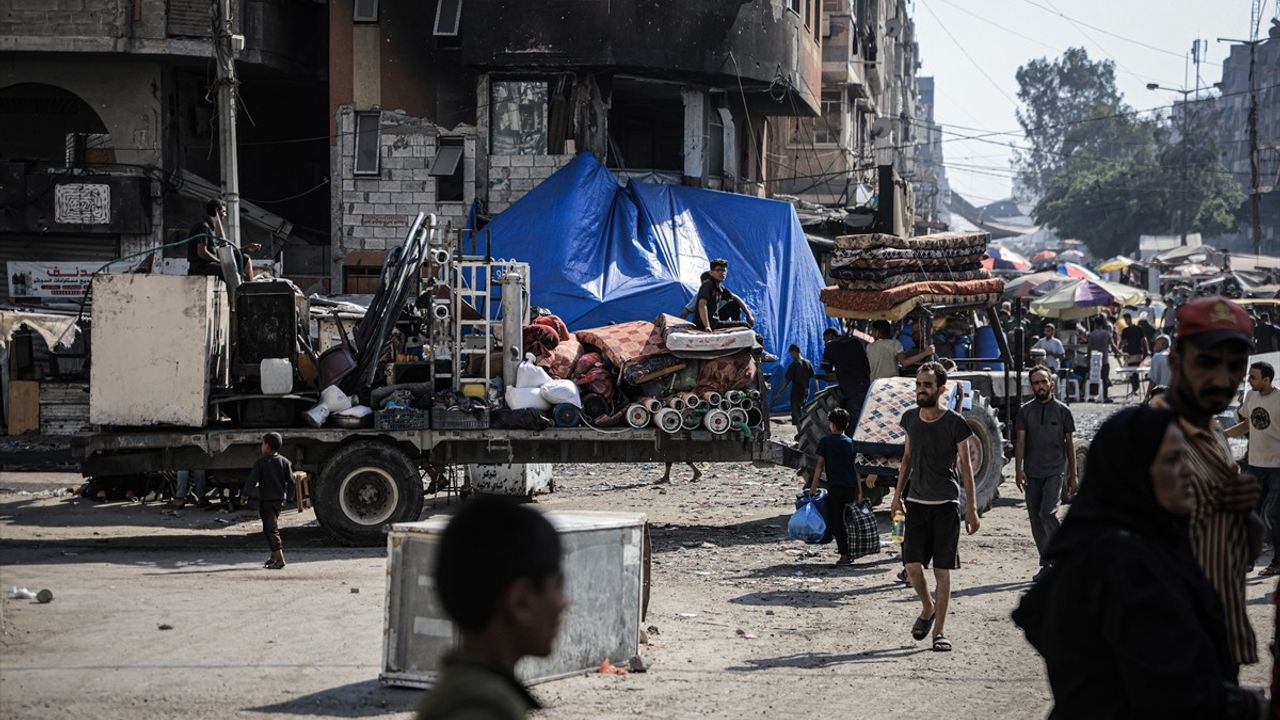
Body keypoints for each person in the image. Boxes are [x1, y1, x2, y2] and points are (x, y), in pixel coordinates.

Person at [1011, 406, 1270, 719]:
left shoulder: (1146, 541)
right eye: (1173, 460)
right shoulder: (1123, 564)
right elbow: (1169, 691)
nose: (1188, 471)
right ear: (1134, 472)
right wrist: (1252, 707)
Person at [1154, 296, 1262, 671]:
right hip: (1169, 651)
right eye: (1207, 362)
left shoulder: (1213, 429)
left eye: (1236, 366)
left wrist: (1246, 514)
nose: (1223, 378)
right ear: (1176, 360)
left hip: (1218, 641)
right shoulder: (1142, 437)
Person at [415, 498, 566, 720]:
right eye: (557, 587)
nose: (565, 602)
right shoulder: (482, 705)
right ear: (520, 603)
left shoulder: (466, 689)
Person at [890, 362, 980, 652]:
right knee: (912, 567)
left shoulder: (955, 423)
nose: (920, 390)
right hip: (915, 503)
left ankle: (939, 632)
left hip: (945, 505)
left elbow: (966, 465)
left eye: (926, 385)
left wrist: (972, 508)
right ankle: (927, 607)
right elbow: (906, 459)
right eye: (918, 385)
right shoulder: (910, 419)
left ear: (940, 389)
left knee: (942, 572)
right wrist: (895, 497)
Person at [1015, 365, 1077, 580]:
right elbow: (1020, 441)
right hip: (1032, 472)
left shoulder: (1063, 411)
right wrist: (1018, 470)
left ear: (1051, 383)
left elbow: (1069, 444)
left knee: (1047, 513)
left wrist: (1073, 475)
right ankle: (1048, 563)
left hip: (1055, 470)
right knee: (1035, 520)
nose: (1040, 386)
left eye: (1044, 381)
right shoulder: (1025, 411)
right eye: (1036, 383)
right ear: (1031, 386)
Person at [1227, 361, 1280, 577]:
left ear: (1267, 380)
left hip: (1277, 466)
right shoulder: (1251, 397)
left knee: (1274, 515)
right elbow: (1249, 423)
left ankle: (1277, 561)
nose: (1249, 380)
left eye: (1254, 377)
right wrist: (1223, 434)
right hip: (1255, 464)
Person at [808, 407, 861, 566]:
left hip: (835, 487)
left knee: (836, 521)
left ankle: (844, 555)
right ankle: (850, 552)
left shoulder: (826, 442)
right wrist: (860, 492)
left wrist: (813, 486)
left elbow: (819, 466)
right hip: (850, 487)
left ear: (831, 424)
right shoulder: (851, 443)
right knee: (849, 520)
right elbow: (856, 469)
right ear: (847, 424)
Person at [246, 432, 292, 570]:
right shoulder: (285, 462)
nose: (261, 446)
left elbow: (251, 481)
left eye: (262, 443)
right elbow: (291, 482)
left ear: (267, 446)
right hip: (278, 500)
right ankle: (273, 557)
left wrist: (244, 495)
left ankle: (280, 559)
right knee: (270, 527)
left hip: (266, 500)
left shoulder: (261, 463)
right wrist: (288, 498)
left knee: (271, 529)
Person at [820, 327, 871, 432]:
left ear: (830, 336)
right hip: (864, 384)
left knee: (853, 416)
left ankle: (853, 441)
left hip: (849, 386)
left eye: (824, 339)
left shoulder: (830, 345)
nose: (825, 342)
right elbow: (866, 363)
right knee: (865, 414)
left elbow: (826, 368)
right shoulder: (855, 342)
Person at [694, 259, 754, 331]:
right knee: (745, 325)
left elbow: (735, 298)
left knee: (734, 304)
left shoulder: (720, 287)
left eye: (723, 270)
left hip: (715, 320)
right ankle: (741, 330)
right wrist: (707, 326)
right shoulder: (708, 284)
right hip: (707, 323)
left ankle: (737, 326)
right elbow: (702, 305)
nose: (721, 272)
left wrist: (749, 314)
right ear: (711, 273)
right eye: (718, 270)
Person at [866, 320, 934, 381]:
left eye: (873, 331)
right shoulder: (895, 344)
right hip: (890, 384)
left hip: (874, 385)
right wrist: (926, 353)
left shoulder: (869, 347)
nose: (872, 334)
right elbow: (904, 362)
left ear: (877, 332)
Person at [776, 344, 817, 427]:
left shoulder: (794, 365)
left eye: (791, 353)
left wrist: (779, 393)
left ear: (795, 352)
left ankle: (800, 433)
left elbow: (787, 381)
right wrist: (817, 391)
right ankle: (805, 430)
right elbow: (814, 378)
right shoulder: (808, 363)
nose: (791, 355)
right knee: (803, 412)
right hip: (806, 392)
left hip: (796, 393)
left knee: (796, 414)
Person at [187, 199, 226, 277]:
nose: (225, 215)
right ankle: (236, 289)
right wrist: (218, 261)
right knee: (226, 270)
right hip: (199, 267)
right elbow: (202, 252)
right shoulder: (203, 227)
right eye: (224, 211)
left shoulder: (211, 228)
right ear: (217, 211)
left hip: (206, 265)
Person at [1086, 316, 1119, 401]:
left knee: (1093, 378)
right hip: (1104, 360)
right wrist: (1120, 353)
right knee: (1104, 379)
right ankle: (1105, 396)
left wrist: (1088, 359)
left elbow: (1089, 348)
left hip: (1093, 360)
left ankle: (1092, 396)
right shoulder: (1106, 333)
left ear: (1095, 324)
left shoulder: (1091, 335)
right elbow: (1113, 346)